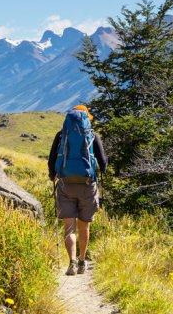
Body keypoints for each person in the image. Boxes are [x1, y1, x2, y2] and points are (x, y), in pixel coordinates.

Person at [48, 104, 107, 276]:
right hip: (88, 186)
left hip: (66, 185)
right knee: (84, 227)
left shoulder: (61, 136)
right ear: (86, 119)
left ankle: (71, 262)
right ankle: (82, 261)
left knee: (69, 228)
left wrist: (53, 176)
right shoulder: (93, 135)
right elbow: (103, 164)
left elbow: (52, 161)